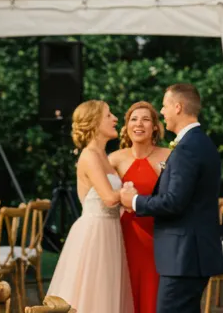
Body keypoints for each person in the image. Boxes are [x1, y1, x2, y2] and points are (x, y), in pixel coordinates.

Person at [119, 83, 223, 313]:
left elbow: (174, 202)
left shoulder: (188, 148)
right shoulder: (198, 142)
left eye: (165, 106)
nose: (162, 112)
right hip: (190, 256)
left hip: (184, 258)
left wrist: (134, 201)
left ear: (178, 107)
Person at [47, 99, 133, 313]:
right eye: (108, 115)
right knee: (92, 293)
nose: (115, 119)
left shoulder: (105, 156)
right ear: (94, 122)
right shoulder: (89, 156)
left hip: (112, 231)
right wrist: (130, 194)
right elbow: (109, 198)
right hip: (95, 234)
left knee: (108, 292)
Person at [110, 100, 171, 313]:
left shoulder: (169, 156)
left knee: (154, 295)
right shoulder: (114, 159)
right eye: (133, 119)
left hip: (160, 236)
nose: (139, 124)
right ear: (126, 126)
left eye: (146, 119)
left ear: (155, 126)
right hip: (126, 236)